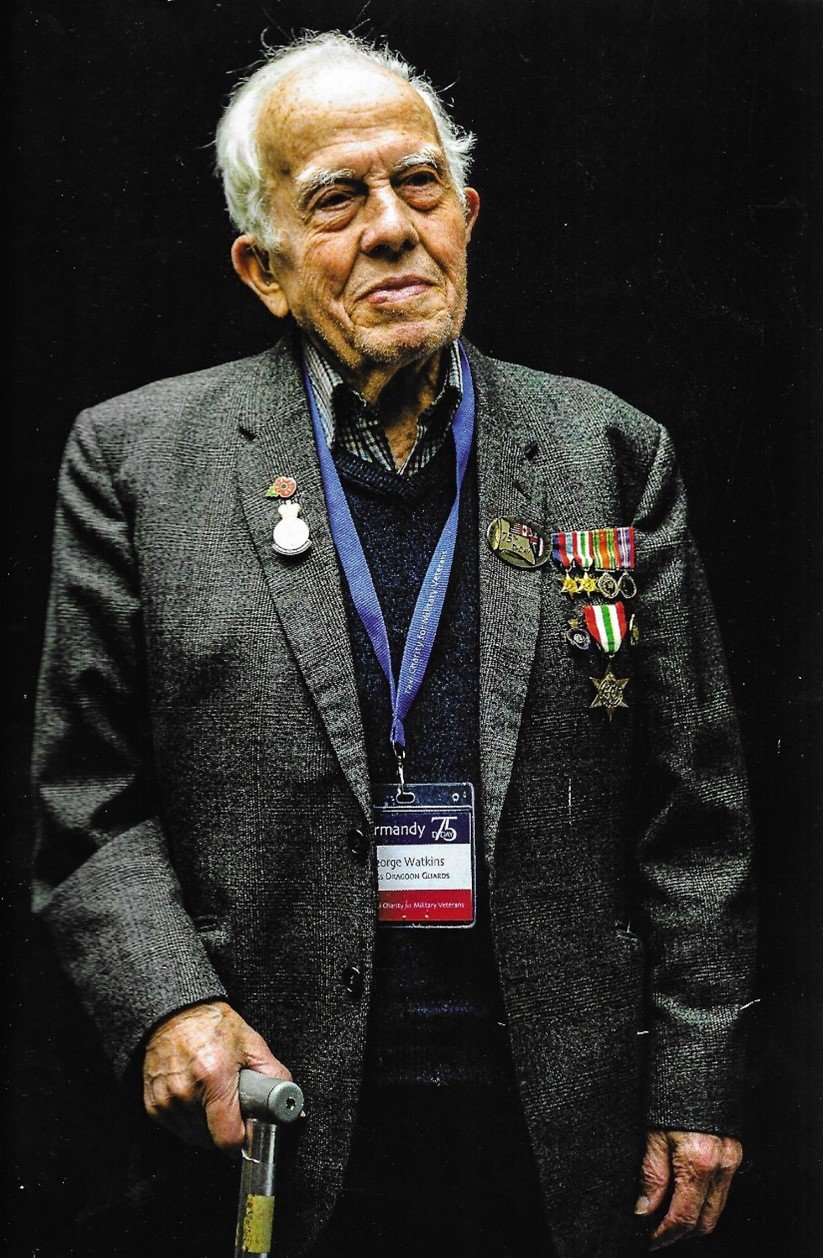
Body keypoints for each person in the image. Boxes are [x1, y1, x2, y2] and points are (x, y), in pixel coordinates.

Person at [32, 30, 756, 1258]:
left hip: (559, 1123)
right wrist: (169, 1002)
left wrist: (695, 1084)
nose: (388, 226)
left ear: (465, 215)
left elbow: (696, 811)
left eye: (417, 185)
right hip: (272, 1108)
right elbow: (87, 800)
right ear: (262, 268)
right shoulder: (140, 462)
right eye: (335, 199)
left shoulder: (607, 450)